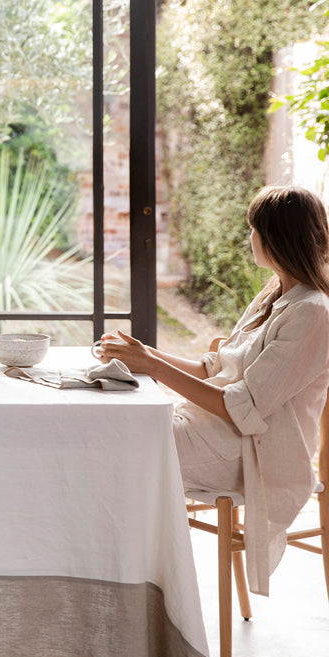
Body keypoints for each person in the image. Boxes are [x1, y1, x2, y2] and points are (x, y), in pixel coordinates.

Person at [96, 186, 329, 595]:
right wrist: (144, 353)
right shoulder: (275, 294)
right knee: (110, 435)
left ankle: (124, 591)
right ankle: (113, 584)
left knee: (113, 456)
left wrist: (152, 366)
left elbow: (239, 406)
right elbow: (214, 369)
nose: (250, 237)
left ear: (276, 238)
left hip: (249, 452)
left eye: (254, 229)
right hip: (215, 432)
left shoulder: (312, 312)